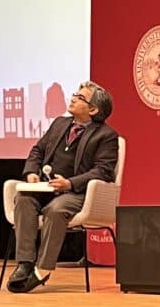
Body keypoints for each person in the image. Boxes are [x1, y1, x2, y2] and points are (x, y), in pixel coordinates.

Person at [7, 81, 118, 293]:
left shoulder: (106, 136)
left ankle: (43, 269)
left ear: (93, 109)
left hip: (78, 193)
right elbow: (37, 151)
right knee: (23, 199)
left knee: (56, 210)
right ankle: (24, 264)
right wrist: (31, 172)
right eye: (75, 94)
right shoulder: (59, 124)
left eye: (80, 97)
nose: (74, 98)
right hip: (46, 188)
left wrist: (70, 183)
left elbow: (103, 171)